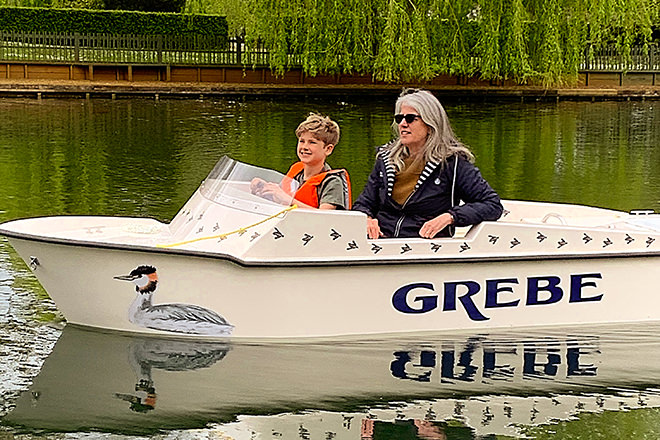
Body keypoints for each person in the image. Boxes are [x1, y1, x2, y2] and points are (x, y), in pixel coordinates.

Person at [352, 88, 503, 239]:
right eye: (399, 118)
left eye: (410, 118)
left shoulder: (453, 162)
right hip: (380, 242)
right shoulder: (385, 159)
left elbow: (492, 204)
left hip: (426, 246)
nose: (403, 124)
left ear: (430, 125)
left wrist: (450, 217)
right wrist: (366, 219)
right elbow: (364, 203)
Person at [250, 112, 351, 210]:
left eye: (312, 142)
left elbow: (324, 216)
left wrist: (287, 199)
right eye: (302, 141)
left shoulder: (332, 182)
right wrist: (264, 188)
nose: (304, 147)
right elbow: (281, 197)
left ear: (328, 149)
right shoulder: (296, 172)